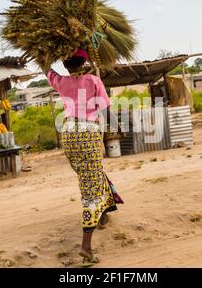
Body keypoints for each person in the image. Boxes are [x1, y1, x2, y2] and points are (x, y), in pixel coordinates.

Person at [42, 48, 123, 264]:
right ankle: (86, 246)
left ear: (66, 64)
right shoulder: (93, 80)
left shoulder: (60, 82)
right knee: (90, 189)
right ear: (85, 62)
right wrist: (117, 129)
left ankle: (104, 213)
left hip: (68, 134)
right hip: (88, 133)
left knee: (90, 174)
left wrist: (44, 54)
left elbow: (45, 69)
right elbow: (105, 109)